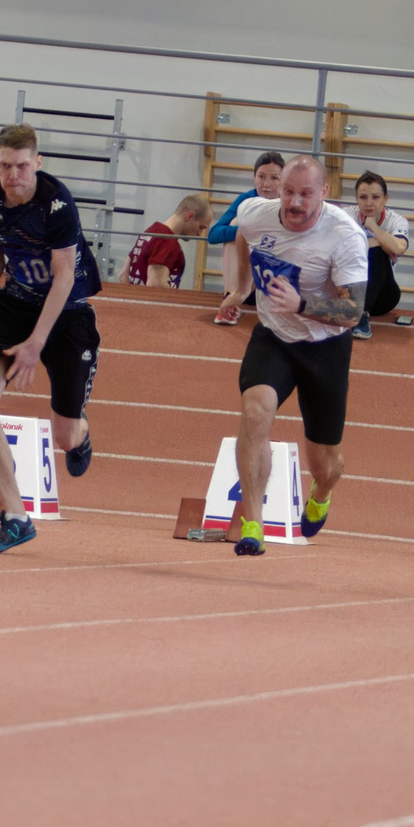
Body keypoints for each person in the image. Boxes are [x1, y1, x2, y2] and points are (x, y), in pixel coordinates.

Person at [0, 124, 102, 554]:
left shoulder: (57, 203)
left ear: (38, 163)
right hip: (14, 303)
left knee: (64, 435)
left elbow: (64, 277)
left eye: (23, 166)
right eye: (6, 166)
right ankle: (16, 516)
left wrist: (36, 342)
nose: (14, 175)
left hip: (67, 312)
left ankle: (81, 432)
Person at [215, 154, 366, 556]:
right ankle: (253, 523)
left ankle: (321, 492)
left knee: (324, 461)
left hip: (326, 347)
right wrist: (243, 287)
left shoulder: (345, 236)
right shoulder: (257, 213)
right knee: (255, 409)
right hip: (274, 336)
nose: (295, 203)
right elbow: (243, 235)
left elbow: (353, 312)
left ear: (324, 194)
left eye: (305, 194)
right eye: (288, 192)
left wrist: (302, 305)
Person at [206, 152, 285, 321]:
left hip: (274, 277)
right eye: (261, 177)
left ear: (283, 180)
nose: (266, 184)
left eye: (274, 178)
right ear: (254, 177)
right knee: (237, 222)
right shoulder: (246, 200)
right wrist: (250, 231)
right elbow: (213, 235)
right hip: (246, 279)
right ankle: (232, 295)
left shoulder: (287, 202)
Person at [344, 171, 409, 338]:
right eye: (363, 197)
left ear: (385, 198)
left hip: (383, 295)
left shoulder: (396, 221)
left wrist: (373, 228)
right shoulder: (346, 217)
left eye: (375, 197)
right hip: (347, 290)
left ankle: (361, 316)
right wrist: (381, 241)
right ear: (356, 199)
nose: (369, 203)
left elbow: (399, 248)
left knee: (378, 252)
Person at [124, 193, 214, 289]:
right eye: (201, 227)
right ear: (189, 216)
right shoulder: (167, 242)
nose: (200, 234)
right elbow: (156, 284)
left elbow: (123, 275)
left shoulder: (149, 232)